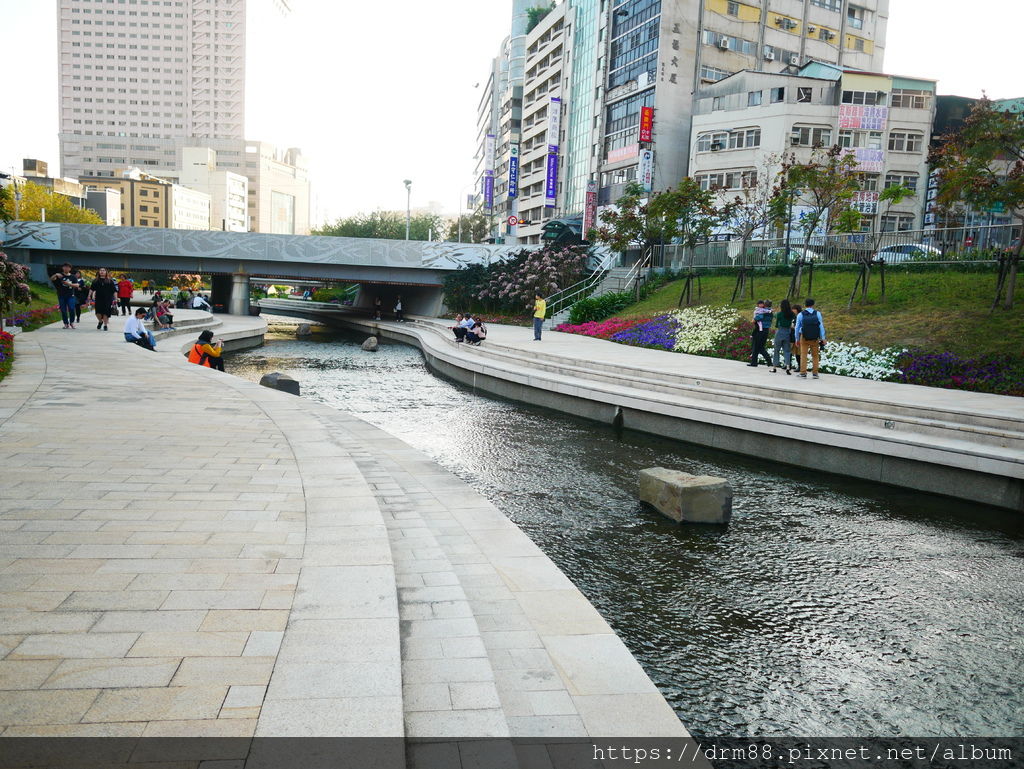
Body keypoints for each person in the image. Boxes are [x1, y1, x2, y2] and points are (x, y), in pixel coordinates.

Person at [794, 298, 826, 379]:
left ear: (805, 305)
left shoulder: (800, 314)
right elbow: (821, 326)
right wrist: (823, 338)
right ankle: (815, 373)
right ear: (813, 305)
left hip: (804, 337)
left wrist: (797, 339)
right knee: (815, 356)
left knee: (803, 355)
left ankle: (803, 373)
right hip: (815, 337)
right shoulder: (817, 313)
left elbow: (797, 328)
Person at [770, 299, 795, 374]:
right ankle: (787, 367)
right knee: (787, 351)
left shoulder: (780, 314)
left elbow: (777, 325)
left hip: (780, 332)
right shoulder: (792, 314)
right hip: (787, 333)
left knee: (776, 350)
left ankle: (774, 367)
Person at [50, 263, 78, 329]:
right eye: (65, 267)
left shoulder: (73, 276)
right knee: (63, 310)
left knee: (71, 308)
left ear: (70, 269)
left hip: (71, 295)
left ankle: (72, 322)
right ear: (63, 268)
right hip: (61, 295)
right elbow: (51, 279)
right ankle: (66, 323)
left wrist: (69, 284)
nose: (66, 268)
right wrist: (56, 274)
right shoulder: (59, 275)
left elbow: (77, 285)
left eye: (68, 267)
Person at [747, 300, 773, 367]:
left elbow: (758, 318)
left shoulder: (763, 311)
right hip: (766, 330)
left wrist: (754, 320)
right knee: (761, 347)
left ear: (765, 304)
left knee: (755, 346)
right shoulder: (771, 312)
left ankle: (754, 362)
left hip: (759, 330)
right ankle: (769, 361)